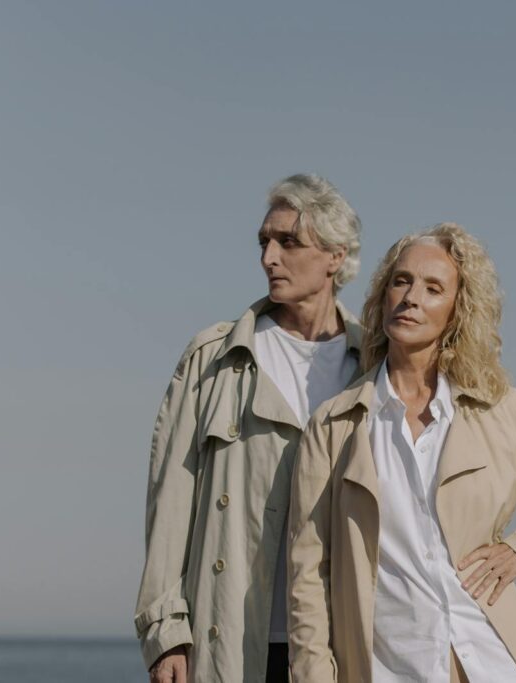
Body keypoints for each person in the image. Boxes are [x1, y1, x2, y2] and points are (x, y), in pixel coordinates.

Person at [287, 223, 516, 683]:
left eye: (433, 288)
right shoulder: (332, 426)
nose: (410, 298)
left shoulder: (499, 408)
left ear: (457, 311)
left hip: (492, 660)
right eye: (401, 281)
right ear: (383, 294)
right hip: (387, 667)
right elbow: (308, 575)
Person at [135, 174, 364, 683]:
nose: (268, 258)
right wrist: (165, 631)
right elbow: (170, 497)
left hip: (339, 641)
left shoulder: (376, 366)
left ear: (335, 256)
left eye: (288, 241)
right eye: (264, 241)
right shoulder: (213, 358)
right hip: (230, 637)